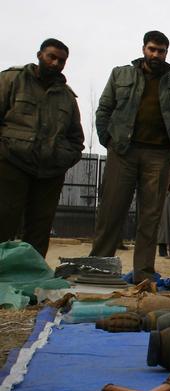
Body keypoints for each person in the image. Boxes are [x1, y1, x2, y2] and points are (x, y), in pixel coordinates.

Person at [91, 30, 170, 283]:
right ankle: (98, 270)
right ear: (143, 49)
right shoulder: (120, 74)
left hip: (159, 156)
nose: (156, 54)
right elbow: (104, 110)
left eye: (161, 51)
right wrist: (109, 141)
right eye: (152, 49)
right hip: (123, 152)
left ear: (167, 53)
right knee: (111, 211)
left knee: (150, 216)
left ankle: (143, 274)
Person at [0, 38, 84, 256]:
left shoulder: (67, 97)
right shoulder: (12, 79)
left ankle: (32, 272)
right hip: (11, 166)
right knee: (4, 221)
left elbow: (76, 139)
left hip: (49, 173)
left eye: (61, 60)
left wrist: (62, 159)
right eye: (51, 57)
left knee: (39, 230)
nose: (56, 63)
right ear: (39, 55)